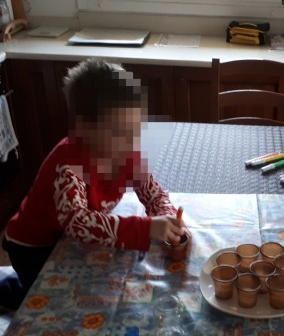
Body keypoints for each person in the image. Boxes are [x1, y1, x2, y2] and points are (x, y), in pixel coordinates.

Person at [1, 58, 187, 310]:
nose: (132, 142)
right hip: (34, 247)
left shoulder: (125, 152)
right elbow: (79, 223)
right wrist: (146, 228)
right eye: (120, 132)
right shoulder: (68, 165)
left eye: (136, 130)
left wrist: (169, 221)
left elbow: (153, 194)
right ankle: (10, 288)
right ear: (84, 129)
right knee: (49, 300)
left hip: (68, 241)